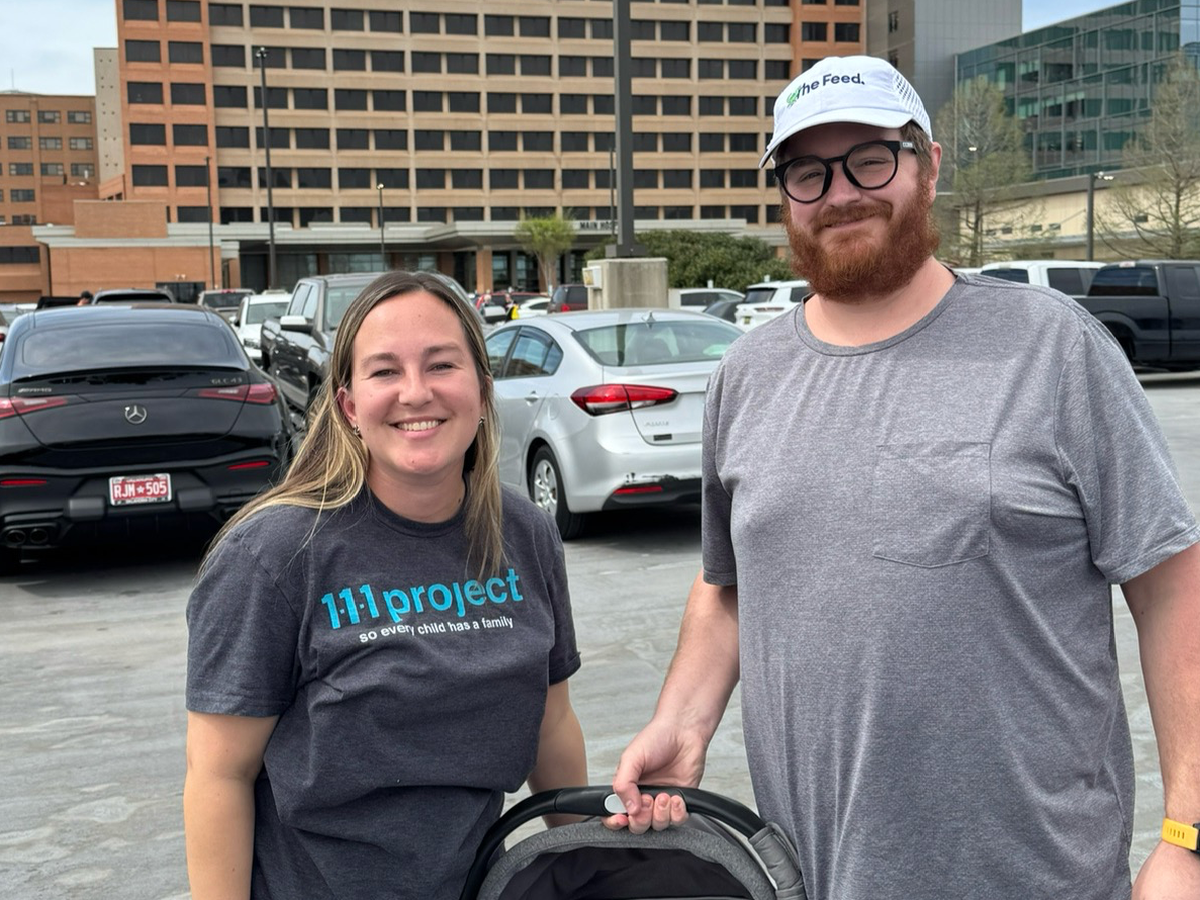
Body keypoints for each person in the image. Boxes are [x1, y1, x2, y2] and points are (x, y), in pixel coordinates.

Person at [609, 55, 1200, 899]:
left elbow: (1172, 584)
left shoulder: (1052, 348)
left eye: (870, 159)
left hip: (1038, 877)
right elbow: (729, 587)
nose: (841, 193)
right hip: (815, 874)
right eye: (808, 172)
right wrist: (682, 722)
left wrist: (1187, 837)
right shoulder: (746, 375)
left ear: (928, 164)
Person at [184, 270, 587, 900]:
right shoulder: (273, 555)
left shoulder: (525, 533)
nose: (416, 392)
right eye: (385, 371)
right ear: (349, 407)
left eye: (441, 365)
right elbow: (218, 775)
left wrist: (589, 859)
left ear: (482, 391)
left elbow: (551, 723)